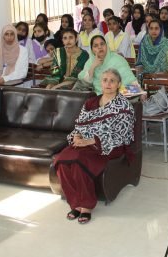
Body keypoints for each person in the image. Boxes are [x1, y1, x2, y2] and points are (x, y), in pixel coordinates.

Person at [54, 68, 135, 224]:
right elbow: (79, 124)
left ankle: (86, 206)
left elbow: (123, 135)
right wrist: (76, 136)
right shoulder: (91, 102)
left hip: (108, 146)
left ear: (118, 84)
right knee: (62, 160)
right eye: (105, 80)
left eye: (112, 80)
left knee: (78, 162)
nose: (108, 83)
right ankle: (75, 203)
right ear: (100, 83)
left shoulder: (124, 106)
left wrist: (92, 141)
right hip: (84, 142)